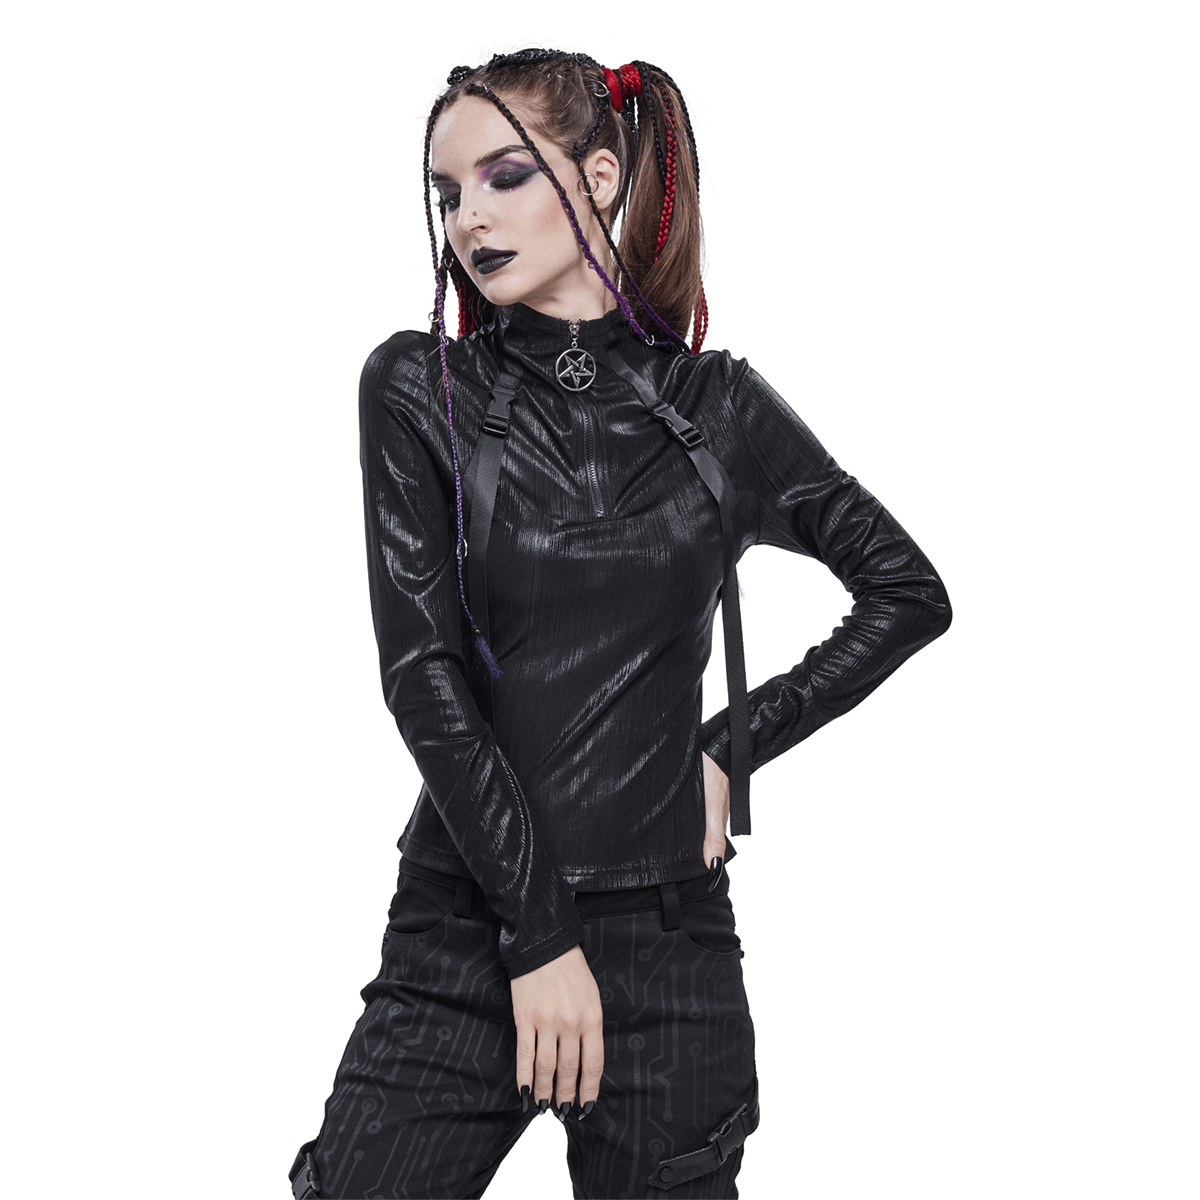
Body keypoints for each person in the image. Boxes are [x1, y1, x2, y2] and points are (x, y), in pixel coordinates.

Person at [290, 48, 952, 1200]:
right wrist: (540, 937)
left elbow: (905, 590)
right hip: (471, 930)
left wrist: (728, 745)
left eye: (504, 175)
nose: (468, 217)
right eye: (447, 192)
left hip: (666, 945)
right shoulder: (418, 389)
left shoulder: (717, 407)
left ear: (599, 176)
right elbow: (422, 674)